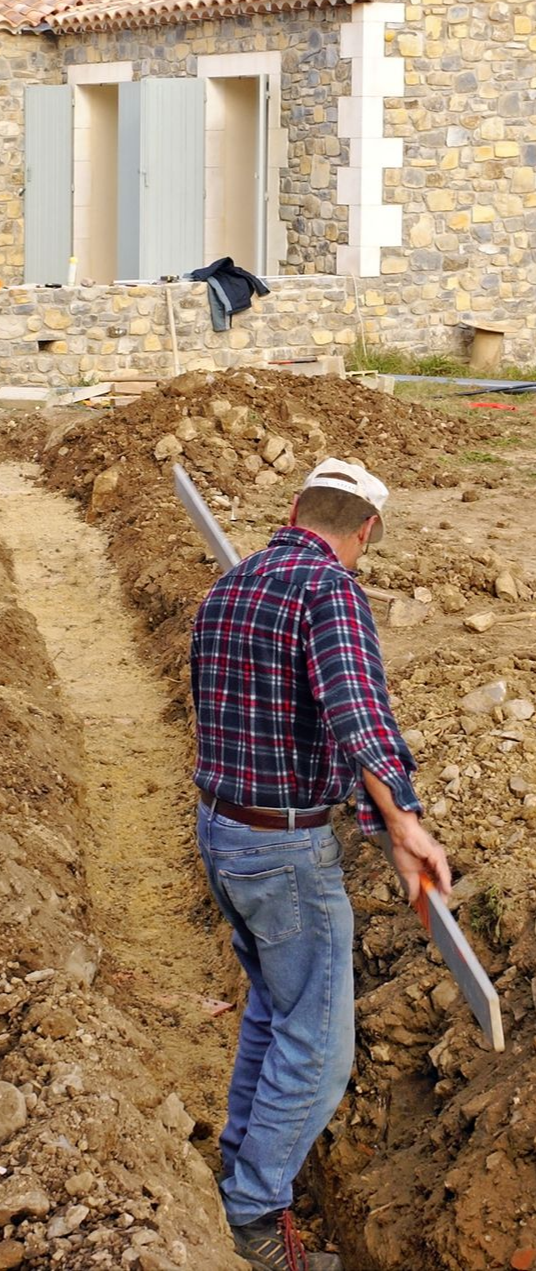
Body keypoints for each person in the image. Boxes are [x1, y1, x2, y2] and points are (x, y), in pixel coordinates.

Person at [191, 458, 451, 1271]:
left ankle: (235, 1168)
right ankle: (254, 1217)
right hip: (284, 851)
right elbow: (354, 710)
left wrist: (367, 816)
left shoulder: (231, 587)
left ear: (294, 508)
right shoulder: (328, 590)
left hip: (223, 832)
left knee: (272, 1011)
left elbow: (268, 717)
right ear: (363, 531)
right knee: (319, 1044)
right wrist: (402, 823)